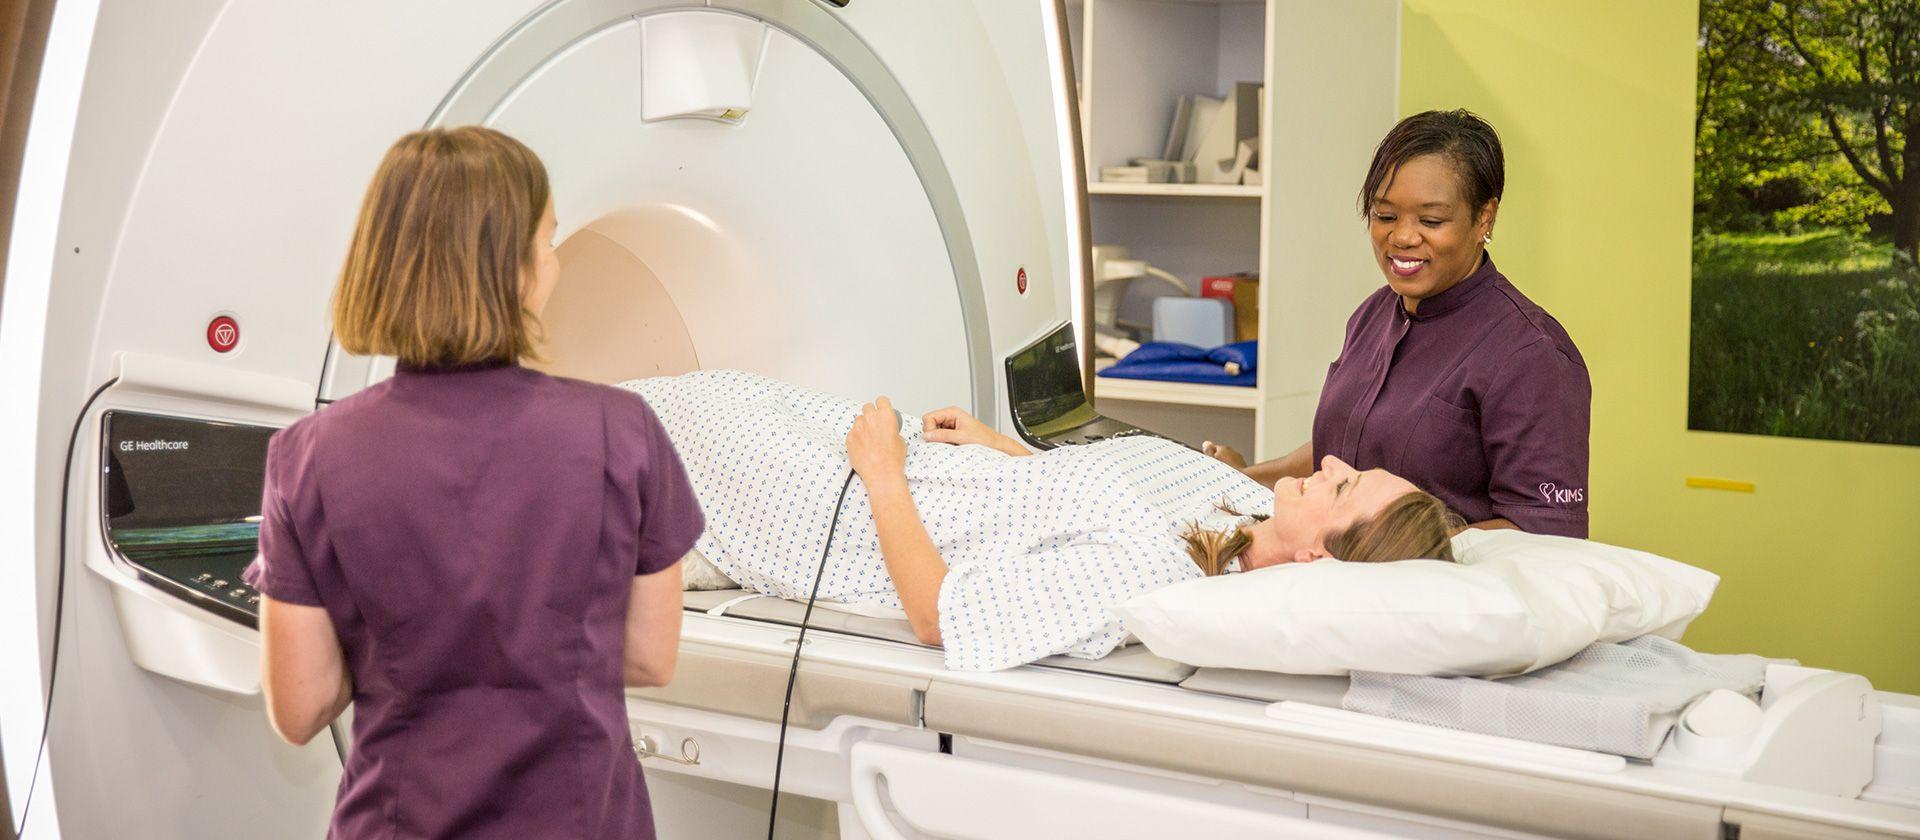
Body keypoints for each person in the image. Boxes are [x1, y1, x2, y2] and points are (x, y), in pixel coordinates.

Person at [245, 127, 704, 839]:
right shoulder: (623, 430)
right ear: (510, 267)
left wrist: (400, 649)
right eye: (547, 243)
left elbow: (300, 708)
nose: (553, 266)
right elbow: (650, 656)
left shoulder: (307, 456)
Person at [624, 370, 1459, 673]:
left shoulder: (1150, 583)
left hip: (834, 508)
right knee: (690, 396)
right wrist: (1000, 451)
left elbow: (936, 614)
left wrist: (881, 473)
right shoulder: (1237, 512)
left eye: (1346, 491)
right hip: (911, 464)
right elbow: (1096, 502)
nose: (1335, 464)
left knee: (633, 425)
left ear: (1317, 560)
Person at [1205, 109, 1591, 538]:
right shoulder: (1373, 314)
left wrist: (1379, 541)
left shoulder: (1531, 354)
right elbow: (1349, 443)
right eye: (1385, 216)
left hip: (1438, 597)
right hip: (1337, 581)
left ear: (1484, 218)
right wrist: (1243, 477)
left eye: (1431, 220)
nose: (1403, 237)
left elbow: (1545, 535)